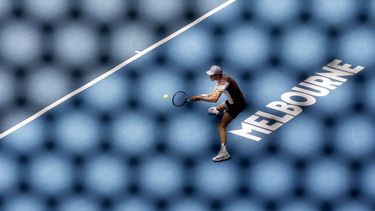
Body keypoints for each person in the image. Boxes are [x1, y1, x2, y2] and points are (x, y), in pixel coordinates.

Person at [191, 65, 247, 162]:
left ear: (217, 75)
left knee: (221, 126)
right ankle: (219, 111)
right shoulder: (222, 79)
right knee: (214, 109)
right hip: (232, 101)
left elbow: (214, 98)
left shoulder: (223, 83)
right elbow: (212, 94)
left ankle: (224, 153)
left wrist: (199, 98)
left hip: (237, 105)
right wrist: (199, 96)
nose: (210, 77)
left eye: (211, 75)